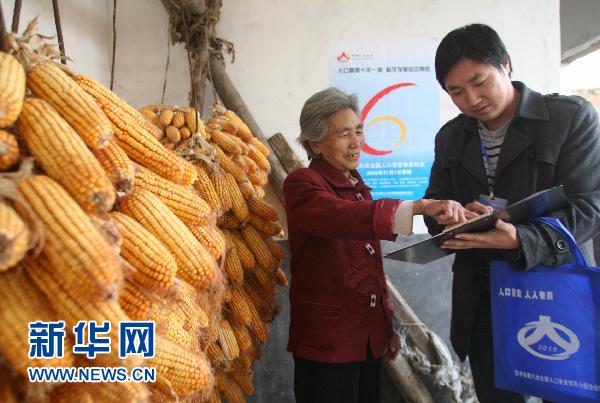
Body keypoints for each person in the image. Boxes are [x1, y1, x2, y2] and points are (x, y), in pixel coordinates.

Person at [424, 23, 600, 403]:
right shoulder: (451, 138)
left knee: (566, 395)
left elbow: (590, 207)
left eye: (479, 81)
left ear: (505, 64)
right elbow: (433, 205)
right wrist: (449, 215)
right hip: (483, 296)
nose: (472, 99)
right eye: (456, 91)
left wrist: (523, 238)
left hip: (554, 288)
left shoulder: (569, 118)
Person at [283, 87, 472, 403]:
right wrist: (420, 206)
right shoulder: (303, 184)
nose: (356, 142)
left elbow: (369, 267)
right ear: (315, 143)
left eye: (358, 131)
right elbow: (339, 216)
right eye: (344, 134)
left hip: (366, 338)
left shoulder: (357, 186)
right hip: (328, 342)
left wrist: (384, 325)